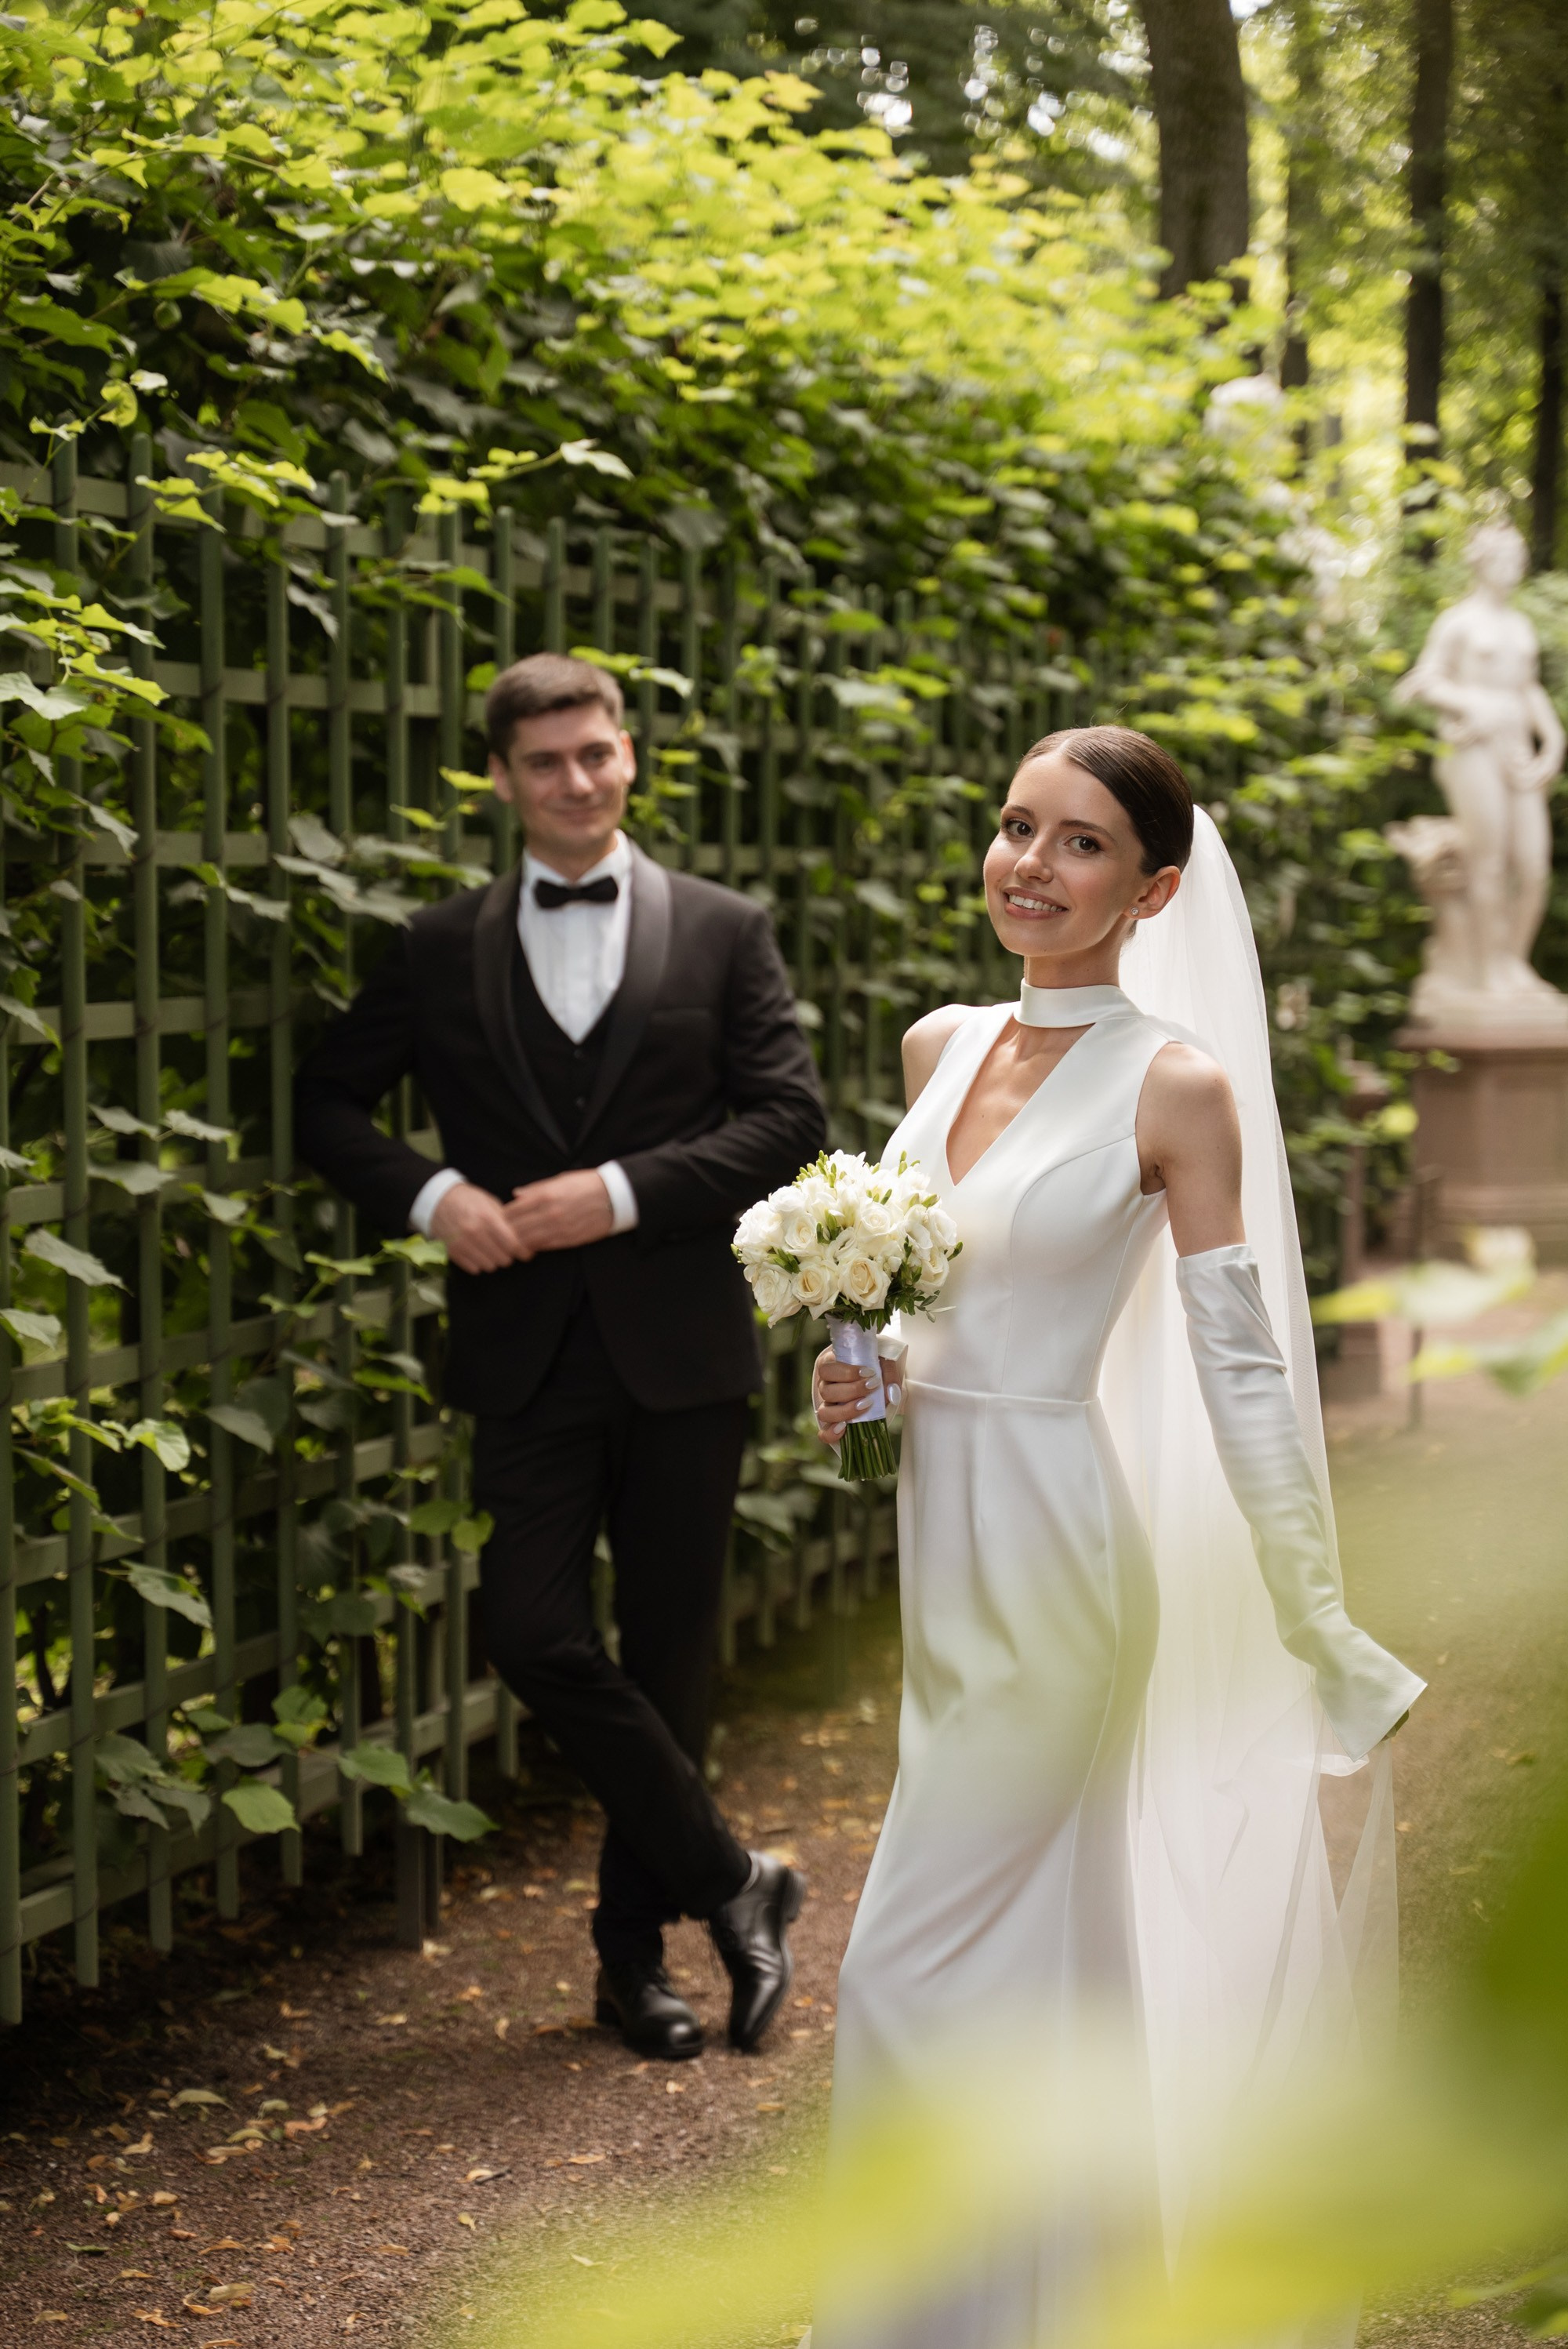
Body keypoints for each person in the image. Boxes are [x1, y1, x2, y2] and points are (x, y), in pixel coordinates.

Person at [809, 727, 1425, 2348]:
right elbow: (926, 1306)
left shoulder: (1175, 1084)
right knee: (1043, 1967)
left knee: (897, 1967)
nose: (1030, 864)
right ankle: (1058, 2306)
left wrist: (1315, 1617)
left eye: (1080, 843)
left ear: (1152, 891)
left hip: (1058, 1568)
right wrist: (861, 1375)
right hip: (942, 1555)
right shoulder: (939, 1045)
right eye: (1018, 826)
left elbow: (1241, 1367)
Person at [295, 653, 826, 2061]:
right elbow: (326, 1103)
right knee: (529, 1632)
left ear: (629, 755)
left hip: (684, 1354)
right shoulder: (436, 946)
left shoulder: (724, 930)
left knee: (671, 1662)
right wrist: (435, 1198)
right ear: (501, 779)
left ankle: (629, 1969)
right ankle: (736, 1879)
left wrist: (623, 1191)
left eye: (597, 753)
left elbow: (789, 1119)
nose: (577, 780)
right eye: (545, 761)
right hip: (523, 1355)